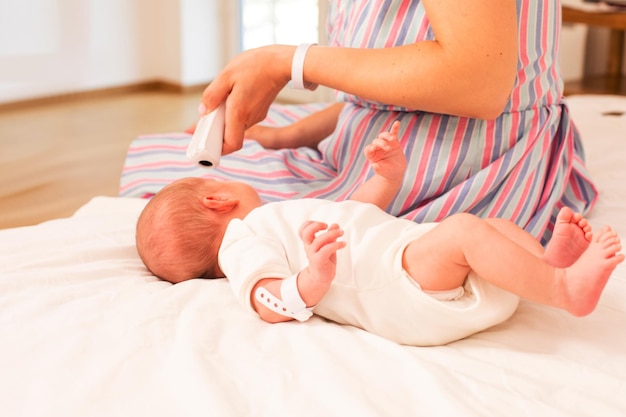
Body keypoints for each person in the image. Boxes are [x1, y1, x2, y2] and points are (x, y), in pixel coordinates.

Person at [136, 122, 624, 346]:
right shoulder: (245, 240)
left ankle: (546, 266)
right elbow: (266, 299)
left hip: (405, 266)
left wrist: (387, 176)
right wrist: (313, 278)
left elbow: (357, 215)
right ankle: (565, 290)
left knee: (490, 228)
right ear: (216, 200)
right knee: (466, 230)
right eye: (218, 180)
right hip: (397, 289)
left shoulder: (281, 220)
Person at [178, 0, 597, 246]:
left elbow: (477, 81)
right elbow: (390, 92)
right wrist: (286, 136)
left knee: (203, 233)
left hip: (458, 173)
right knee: (179, 192)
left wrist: (286, 62)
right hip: (370, 151)